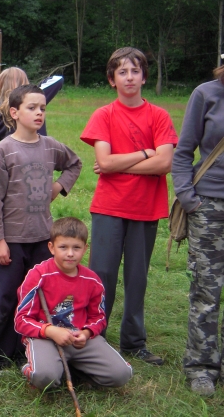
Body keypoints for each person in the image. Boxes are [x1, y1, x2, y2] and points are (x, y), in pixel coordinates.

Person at [80, 47, 177, 366]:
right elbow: (104, 162)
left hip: (146, 208)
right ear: (112, 79)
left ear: (144, 77)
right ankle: (96, 336)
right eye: (122, 72)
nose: (129, 77)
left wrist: (119, 163)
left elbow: (165, 163)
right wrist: (146, 153)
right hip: (109, 206)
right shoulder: (104, 115)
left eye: (135, 71)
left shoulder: (159, 116)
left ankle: (134, 342)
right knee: (102, 273)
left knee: (137, 277)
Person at [0, 83, 81, 368]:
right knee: (6, 298)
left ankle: (31, 348)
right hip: (11, 240)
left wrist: (59, 186)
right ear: (14, 112)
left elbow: (74, 163)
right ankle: (1, 354)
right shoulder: (3, 151)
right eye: (32, 107)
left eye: (43, 108)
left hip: (41, 239)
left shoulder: (50, 147)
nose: (39, 113)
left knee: (37, 296)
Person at [15, 217, 132, 390]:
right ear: (51, 247)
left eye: (76, 247)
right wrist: (50, 331)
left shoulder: (93, 281)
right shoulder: (38, 275)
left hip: (79, 340)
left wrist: (86, 333)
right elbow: (21, 320)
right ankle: (34, 368)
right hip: (45, 338)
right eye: (63, 247)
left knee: (121, 374)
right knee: (45, 377)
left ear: (85, 249)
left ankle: (73, 369)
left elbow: (99, 317)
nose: (70, 253)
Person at [171, 63, 224, 396]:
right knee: (207, 291)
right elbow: (183, 150)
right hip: (210, 206)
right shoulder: (206, 94)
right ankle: (202, 368)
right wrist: (189, 200)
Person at [0, 67, 64, 140]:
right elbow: (58, 79)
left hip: (9, 151)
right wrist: (33, 90)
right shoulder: (34, 98)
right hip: (40, 149)